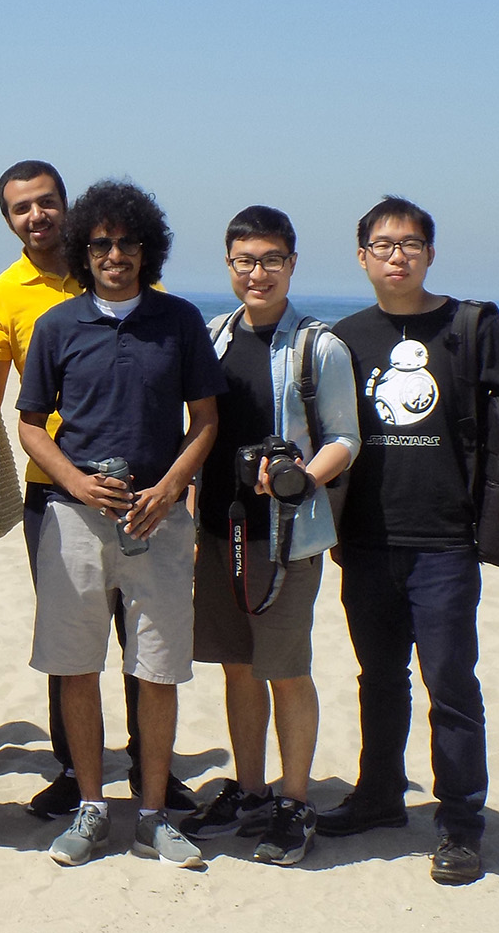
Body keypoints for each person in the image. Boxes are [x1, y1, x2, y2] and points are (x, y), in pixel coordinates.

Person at [320, 196, 499, 885]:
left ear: (429, 253)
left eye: (411, 243)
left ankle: (460, 825)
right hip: (365, 538)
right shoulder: (345, 337)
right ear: (362, 255)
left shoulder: (469, 325)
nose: (398, 255)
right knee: (379, 679)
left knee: (450, 683)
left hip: (446, 542)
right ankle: (379, 796)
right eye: (384, 244)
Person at [17, 180, 223, 867]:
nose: (113, 254)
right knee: (76, 668)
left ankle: (156, 814)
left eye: (125, 242)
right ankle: (91, 805)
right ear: (82, 250)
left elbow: (207, 421)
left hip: (158, 519)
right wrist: (72, 480)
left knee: (157, 671)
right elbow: (28, 423)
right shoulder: (58, 326)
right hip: (74, 519)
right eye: (100, 243)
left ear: (146, 248)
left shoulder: (181, 321)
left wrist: (170, 488)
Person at [0, 160, 191, 817]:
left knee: (143, 635)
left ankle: (149, 769)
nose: (36, 216)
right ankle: (75, 769)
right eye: (22, 208)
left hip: (145, 489)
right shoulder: (5, 294)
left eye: (46, 203)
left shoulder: (127, 267)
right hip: (58, 492)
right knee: (71, 637)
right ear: (9, 219)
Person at [179, 206, 358, 867]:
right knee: (236, 665)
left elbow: (346, 437)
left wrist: (303, 480)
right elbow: (194, 432)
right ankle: (250, 790)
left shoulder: (320, 345)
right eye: (246, 261)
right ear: (229, 266)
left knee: (286, 669)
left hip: (288, 536)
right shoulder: (212, 337)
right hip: (219, 530)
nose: (259, 273)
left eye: (271, 261)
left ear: (291, 265)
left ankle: (295, 799)